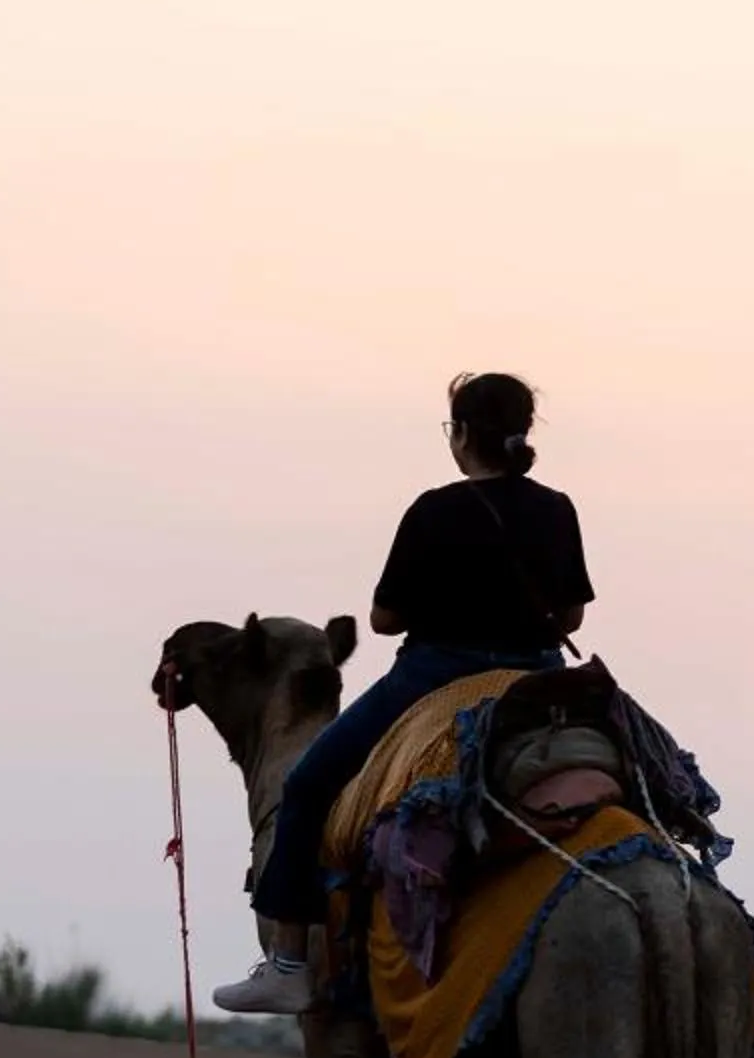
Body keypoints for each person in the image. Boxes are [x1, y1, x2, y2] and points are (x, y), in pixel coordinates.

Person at [212, 370, 593, 1016]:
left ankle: (288, 964)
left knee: (307, 786)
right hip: (537, 682)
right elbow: (574, 620)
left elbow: (384, 620)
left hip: (439, 676)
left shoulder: (435, 510)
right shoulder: (557, 508)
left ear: (464, 434)